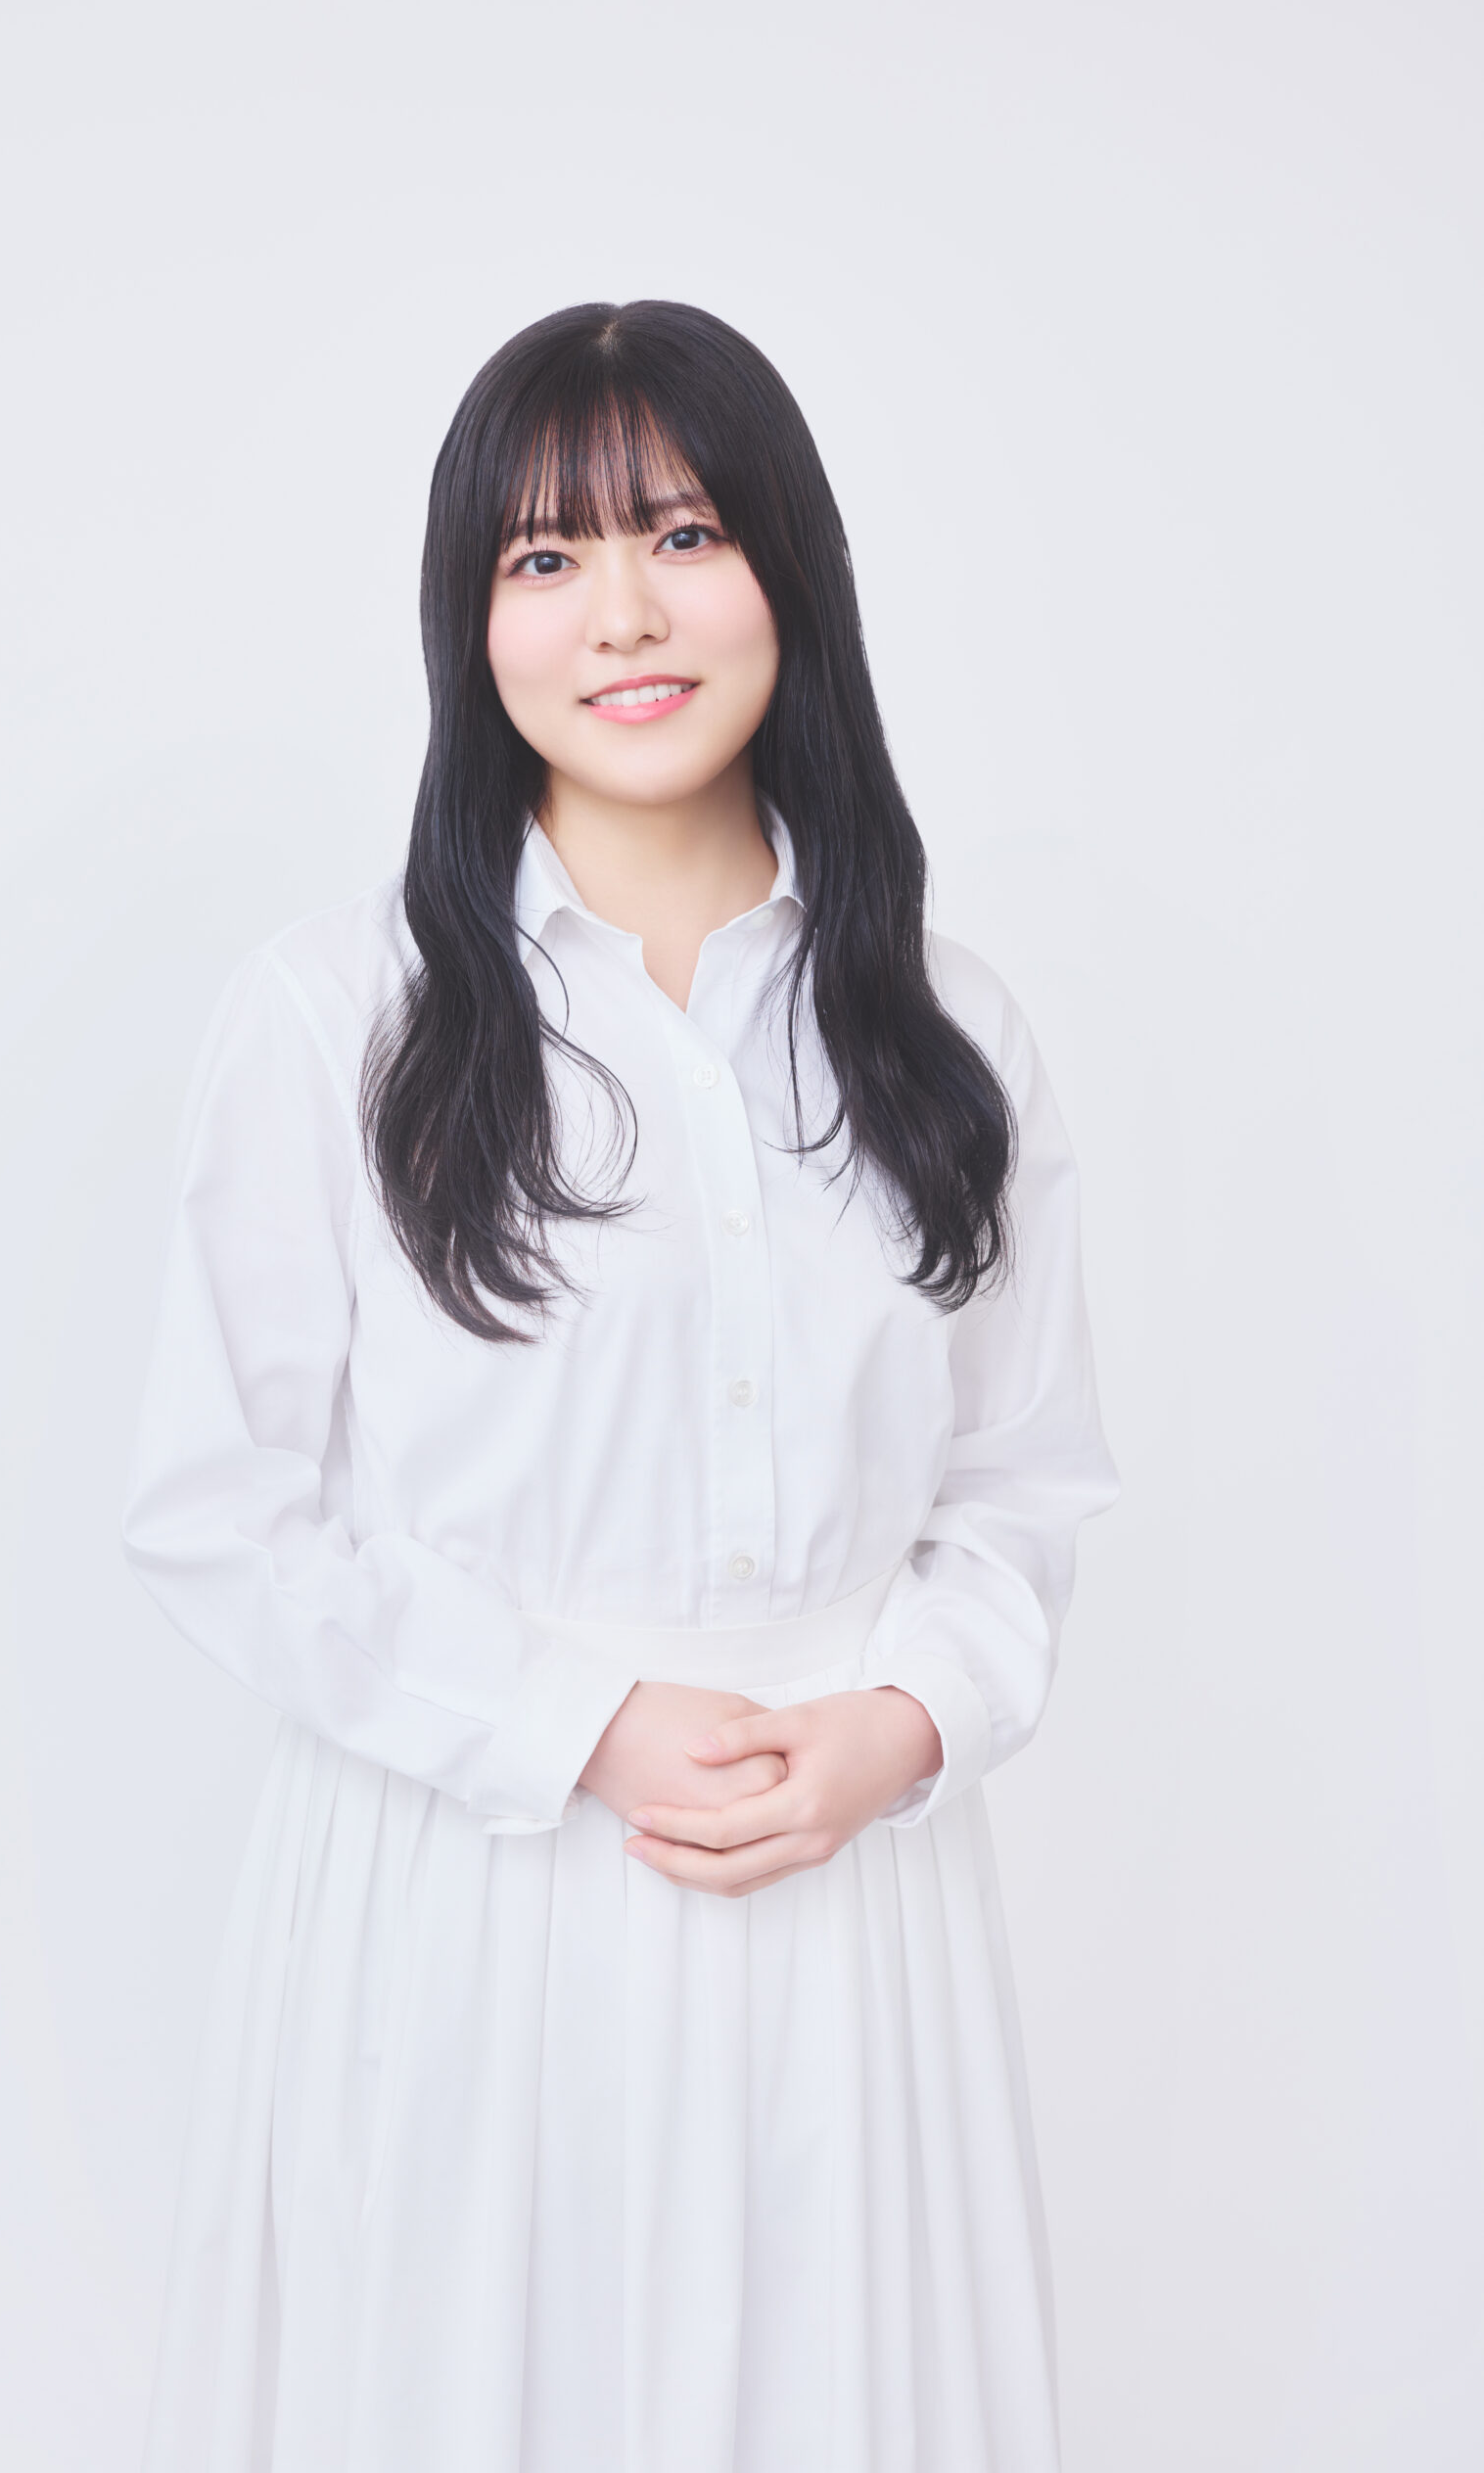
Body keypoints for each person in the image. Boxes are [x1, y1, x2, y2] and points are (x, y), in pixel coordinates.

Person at [123, 298, 1118, 2473]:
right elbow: (223, 1508)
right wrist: (572, 1722)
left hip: (851, 1912)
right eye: (544, 555)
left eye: (681, 533)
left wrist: (901, 1723)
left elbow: (1023, 1481)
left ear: (788, 565)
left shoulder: (945, 1031)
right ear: (469, 617)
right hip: (472, 1895)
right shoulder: (338, 1015)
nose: (625, 614)